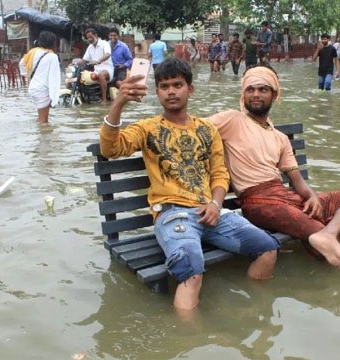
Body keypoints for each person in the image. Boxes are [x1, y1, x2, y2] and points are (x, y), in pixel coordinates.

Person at [99, 58, 279, 310]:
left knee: (268, 248)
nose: (171, 91)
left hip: (212, 211)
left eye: (177, 84)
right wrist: (119, 102)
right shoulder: (147, 128)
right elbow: (111, 148)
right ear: (157, 92)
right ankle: (189, 341)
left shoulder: (207, 129)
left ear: (190, 89)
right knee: (191, 268)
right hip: (172, 214)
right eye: (164, 86)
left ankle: (255, 311)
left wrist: (216, 204)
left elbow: (219, 174)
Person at [209, 66, 340, 268]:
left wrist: (312, 197)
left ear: (274, 95)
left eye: (263, 90)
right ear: (244, 94)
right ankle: (326, 242)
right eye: (250, 89)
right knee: (318, 234)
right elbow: (192, 128)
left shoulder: (280, 138)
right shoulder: (232, 120)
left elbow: (297, 180)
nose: (255, 94)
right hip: (258, 202)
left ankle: (328, 235)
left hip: (286, 197)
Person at [19, 30, 61, 124]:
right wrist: (54, 98)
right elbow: (54, 78)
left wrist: (27, 75)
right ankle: (43, 138)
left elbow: (21, 64)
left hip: (33, 87)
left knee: (40, 118)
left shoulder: (33, 52)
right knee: (44, 121)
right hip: (43, 90)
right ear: (53, 43)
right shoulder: (52, 56)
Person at [81, 28, 113, 104]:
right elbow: (84, 60)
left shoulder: (104, 43)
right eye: (88, 38)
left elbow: (108, 54)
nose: (89, 39)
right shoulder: (90, 47)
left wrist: (98, 61)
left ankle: (104, 100)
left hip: (107, 68)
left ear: (95, 35)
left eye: (91, 37)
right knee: (81, 76)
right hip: (96, 70)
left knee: (101, 75)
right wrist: (74, 63)